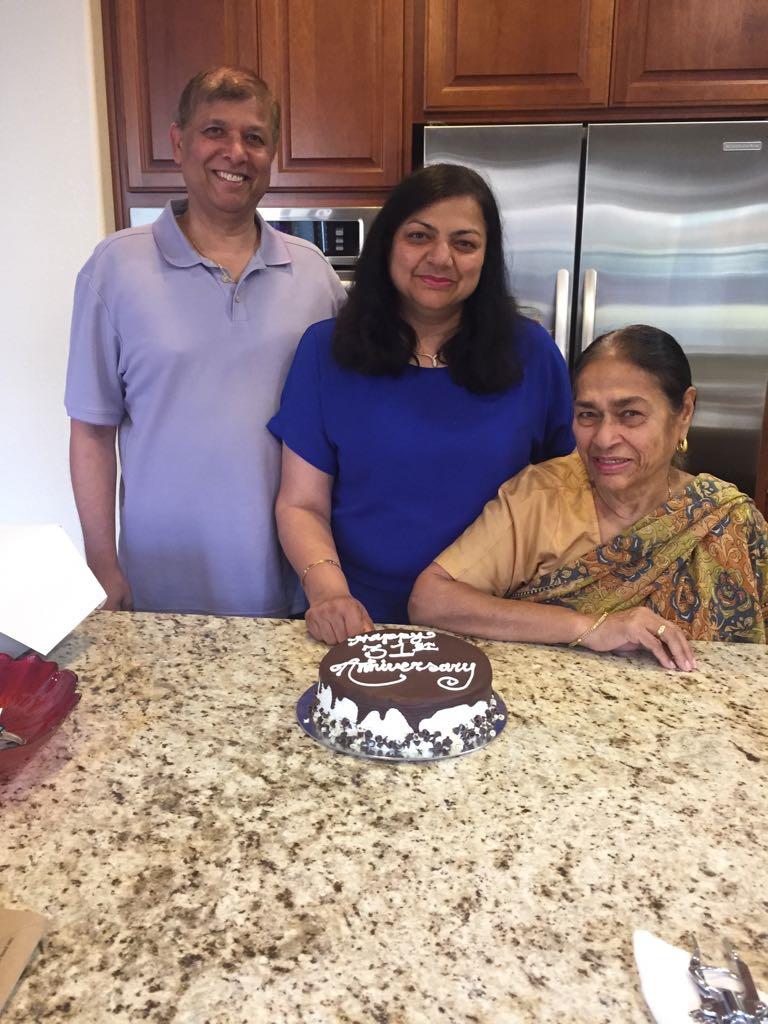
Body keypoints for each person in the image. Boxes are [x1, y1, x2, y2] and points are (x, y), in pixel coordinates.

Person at [65, 67, 346, 615]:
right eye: (215, 131)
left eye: (254, 137)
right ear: (178, 142)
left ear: (272, 153)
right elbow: (92, 431)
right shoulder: (115, 269)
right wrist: (102, 563)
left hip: (290, 586)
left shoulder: (314, 278)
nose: (235, 151)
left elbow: (349, 426)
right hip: (160, 587)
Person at [268, 163, 574, 643]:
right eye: (419, 236)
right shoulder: (326, 352)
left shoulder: (532, 353)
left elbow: (568, 495)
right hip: (359, 622)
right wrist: (329, 594)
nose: (441, 257)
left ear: (486, 258)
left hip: (499, 624)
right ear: (388, 243)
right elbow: (302, 503)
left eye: (464, 243)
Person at [410, 325, 768, 670]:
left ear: (684, 412)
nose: (603, 438)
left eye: (630, 414)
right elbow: (430, 600)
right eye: (588, 415)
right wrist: (590, 627)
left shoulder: (725, 519)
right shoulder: (541, 496)